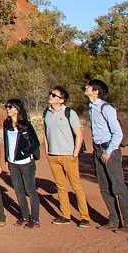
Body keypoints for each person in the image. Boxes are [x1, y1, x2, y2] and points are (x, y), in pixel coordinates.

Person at [85, 79, 128, 232]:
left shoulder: (105, 108)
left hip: (110, 151)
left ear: (96, 91)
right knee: (104, 188)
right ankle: (113, 220)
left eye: (88, 86)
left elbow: (118, 133)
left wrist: (108, 152)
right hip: (98, 151)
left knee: (118, 187)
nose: (86, 88)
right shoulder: (91, 107)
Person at [41, 86, 91, 227]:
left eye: (54, 95)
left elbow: (79, 134)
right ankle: (65, 215)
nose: (50, 96)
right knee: (61, 186)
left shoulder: (70, 113)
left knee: (76, 186)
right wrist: (47, 149)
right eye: (50, 93)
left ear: (61, 100)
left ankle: (84, 217)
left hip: (68, 156)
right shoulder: (46, 113)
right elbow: (45, 132)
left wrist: (75, 152)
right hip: (53, 156)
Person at [2, 98, 41, 228]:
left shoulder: (26, 125)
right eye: (7, 107)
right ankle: (24, 216)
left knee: (30, 190)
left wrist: (24, 153)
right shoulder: (6, 124)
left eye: (10, 107)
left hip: (26, 163)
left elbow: (35, 144)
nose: (8, 109)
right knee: (18, 191)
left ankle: (35, 220)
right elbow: (7, 142)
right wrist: (7, 159)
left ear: (17, 109)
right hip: (13, 163)